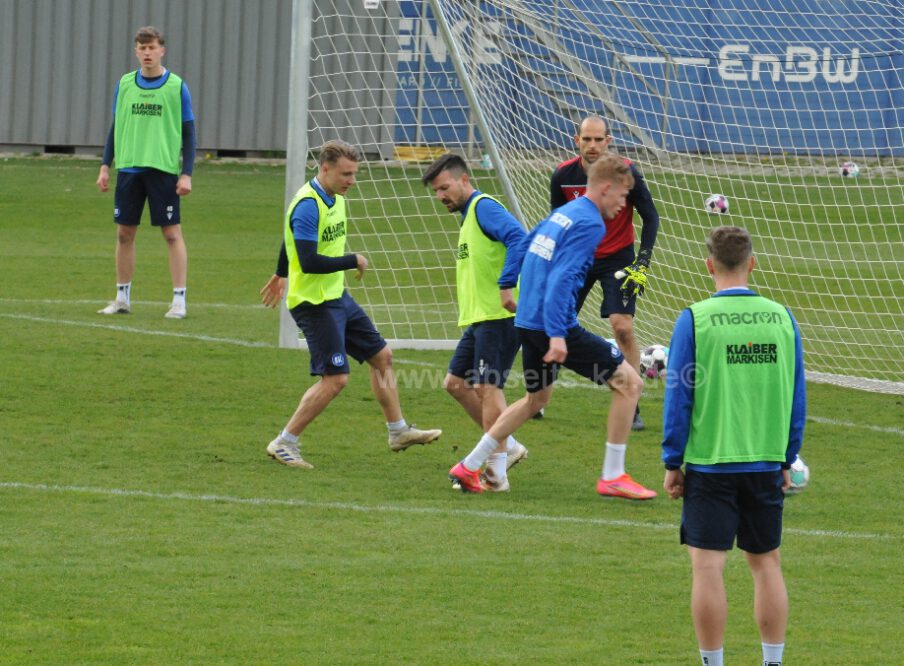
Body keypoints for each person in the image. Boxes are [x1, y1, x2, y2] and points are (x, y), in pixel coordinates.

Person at [449, 153, 655, 498]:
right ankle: (613, 474)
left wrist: (513, 292)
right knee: (630, 384)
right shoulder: (590, 223)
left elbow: (529, 245)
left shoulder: (564, 213)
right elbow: (563, 278)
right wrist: (559, 335)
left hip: (529, 322)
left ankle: (470, 466)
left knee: (535, 399)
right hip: (551, 326)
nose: (624, 204)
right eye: (622, 195)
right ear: (606, 188)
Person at [661, 226, 806, 666]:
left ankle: (713, 663)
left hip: (709, 464)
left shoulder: (695, 318)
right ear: (752, 264)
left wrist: (673, 460)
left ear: (709, 266)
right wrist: (787, 456)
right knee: (767, 564)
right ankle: (773, 661)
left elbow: (679, 395)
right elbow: (797, 394)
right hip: (765, 461)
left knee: (708, 567)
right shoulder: (783, 317)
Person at [260, 140, 441, 469]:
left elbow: (292, 242)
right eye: (346, 174)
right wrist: (352, 259)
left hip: (336, 297)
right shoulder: (307, 204)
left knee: (382, 357)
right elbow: (310, 258)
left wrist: (280, 272)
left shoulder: (336, 198)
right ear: (325, 168)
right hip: (314, 303)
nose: (352, 180)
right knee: (336, 379)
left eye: (354, 173)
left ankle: (398, 430)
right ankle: (284, 442)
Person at [422, 154, 529, 491]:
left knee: (487, 387)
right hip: (480, 318)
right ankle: (508, 446)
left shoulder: (484, 207)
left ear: (464, 180)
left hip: (499, 317)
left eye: (445, 187)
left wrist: (506, 284)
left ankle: (497, 473)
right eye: (437, 191)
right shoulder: (470, 215)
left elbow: (518, 237)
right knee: (455, 383)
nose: (441, 196)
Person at [549, 115, 660, 429]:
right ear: (577, 141)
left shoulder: (627, 172)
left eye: (599, 139)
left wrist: (642, 263)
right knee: (556, 323)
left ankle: (631, 402)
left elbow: (651, 218)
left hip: (619, 259)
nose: (593, 145)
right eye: (587, 139)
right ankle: (539, 393)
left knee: (622, 326)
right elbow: (558, 221)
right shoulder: (562, 176)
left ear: (609, 141)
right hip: (579, 257)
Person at [96, 26, 195, 319]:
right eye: (142, 47)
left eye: (152, 47)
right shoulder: (125, 84)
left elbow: (189, 133)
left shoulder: (176, 86)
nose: (147, 53)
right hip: (129, 168)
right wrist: (105, 165)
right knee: (124, 233)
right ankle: (122, 298)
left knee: (171, 234)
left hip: (163, 170)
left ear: (161, 50)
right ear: (136, 51)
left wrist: (186, 173)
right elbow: (117, 127)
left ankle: (179, 301)